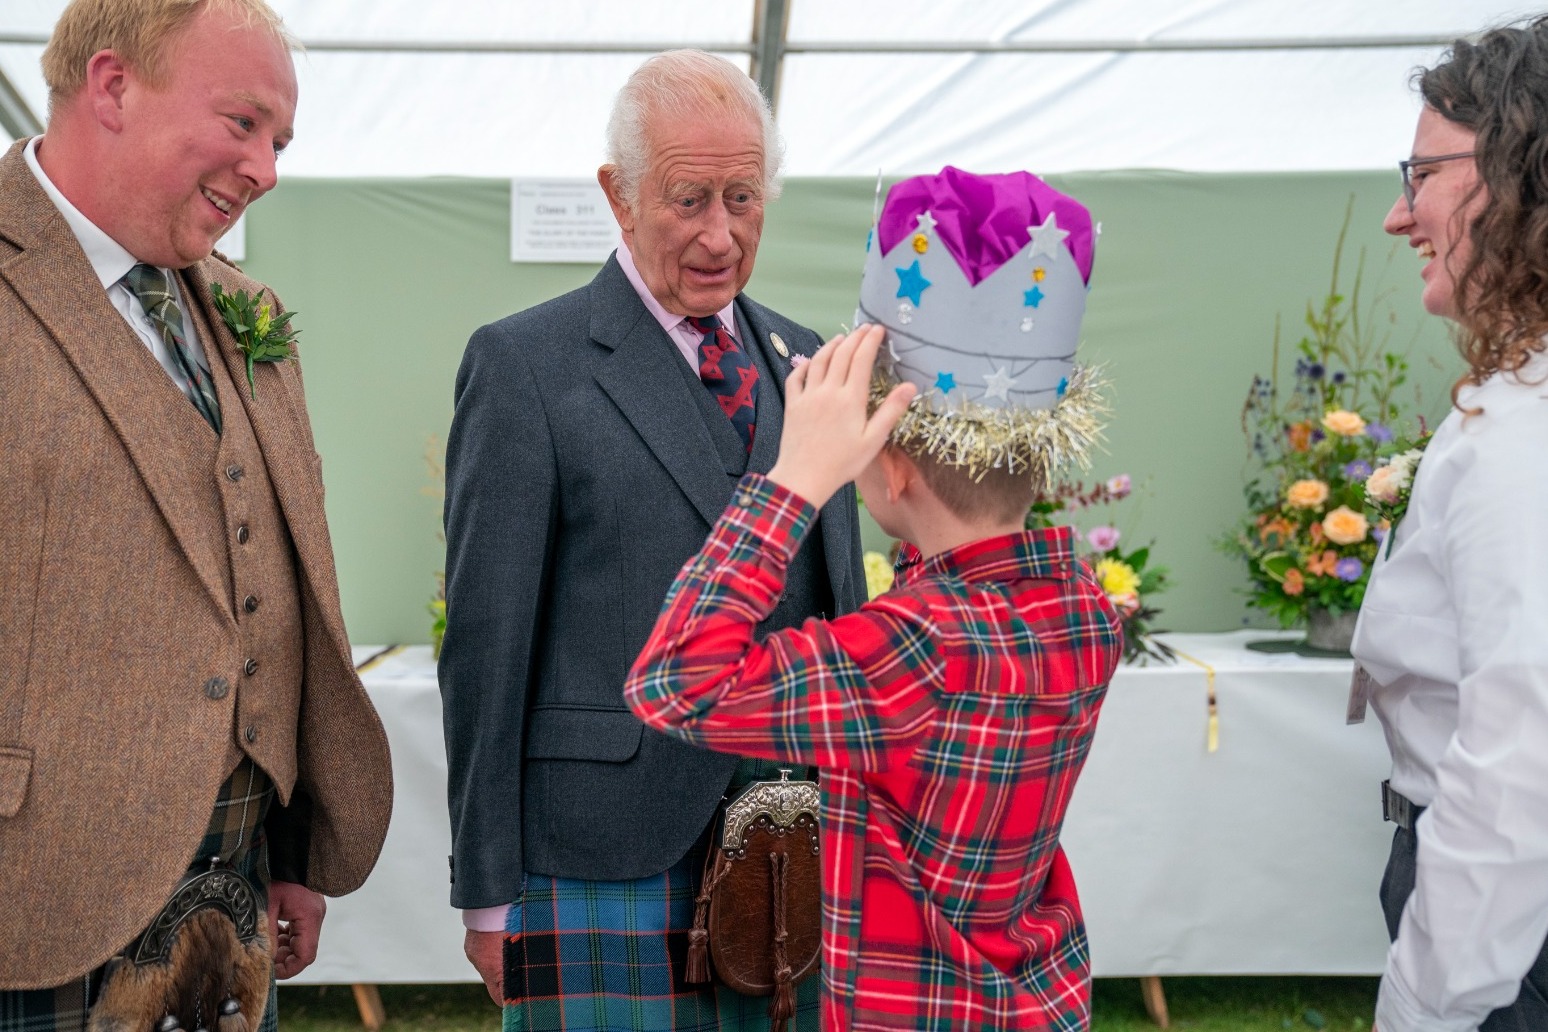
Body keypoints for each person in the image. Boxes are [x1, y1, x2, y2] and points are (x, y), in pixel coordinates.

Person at [624, 168, 1123, 1031]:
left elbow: (673, 680)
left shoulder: (912, 649)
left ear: (888, 462)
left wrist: (793, 481)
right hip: (1042, 1002)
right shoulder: (1082, 608)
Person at [439, 49, 866, 1031]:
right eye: (688, 200)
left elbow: (836, 604)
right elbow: (486, 647)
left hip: (789, 851)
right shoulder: (526, 365)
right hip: (597, 854)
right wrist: (487, 888)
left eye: (743, 199)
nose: (721, 235)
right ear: (617, 195)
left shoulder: (811, 363)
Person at [0, 1, 393, 1029]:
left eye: (281, 141)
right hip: (31, 892)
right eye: (244, 123)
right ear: (115, 87)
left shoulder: (245, 309)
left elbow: (285, 592)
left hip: (235, 883)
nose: (267, 167)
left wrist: (294, 847)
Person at [1354, 16, 1548, 1032]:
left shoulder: (1527, 438)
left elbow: (1519, 766)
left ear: (1512, 176)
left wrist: (1426, 1003)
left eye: (1420, 172)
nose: (1399, 214)